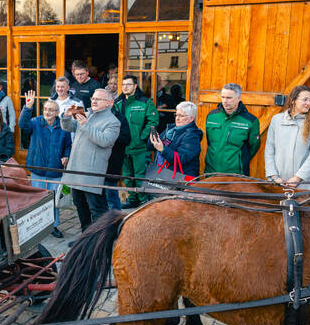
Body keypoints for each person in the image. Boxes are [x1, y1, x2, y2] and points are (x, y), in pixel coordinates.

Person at [60, 88, 120, 232]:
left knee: (97, 211)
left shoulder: (113, 122)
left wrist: (86, 124)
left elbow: (105, 141)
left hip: (92, 174)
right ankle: (84, 239)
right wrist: (66, 116)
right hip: (76, 170)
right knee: (80, 208)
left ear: (109, 103)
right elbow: (68, 127)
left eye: (98, 99)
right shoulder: (84, 113)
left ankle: (101, 241)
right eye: (93, 98)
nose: (93, 101)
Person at [19, 92, 72, 238]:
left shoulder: (63, 126)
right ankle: (37, 226)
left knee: (53, 200)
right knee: (37, 199)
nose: (47, 112)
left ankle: (53, 226)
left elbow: (68, 144)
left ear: (57, 112)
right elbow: (22, 125)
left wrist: (66, 155)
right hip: (38, 169)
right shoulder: (35, 122)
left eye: (50, 110)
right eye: (45, 109)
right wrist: (28, 107)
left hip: (55, 170)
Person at [264, 85, 310, 188]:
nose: (309, 103)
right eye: (305, 100)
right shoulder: (277, 120)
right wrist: (274, 176)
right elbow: (269, 150)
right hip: (278, 183)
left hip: (303, 184)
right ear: (293, 100)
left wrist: (298, 178)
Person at [115, 75, 159, 209]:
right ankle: (132, 199)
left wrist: (142, 138)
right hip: (123, 147)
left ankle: (143, 201)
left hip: (139, 148)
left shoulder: (145, 102)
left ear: (135, 86)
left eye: (128, 84)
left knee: (140, 176)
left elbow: (153, 122)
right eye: (123, 85)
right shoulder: (118, 103)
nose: (125, 87)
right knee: (127, 177)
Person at [204, 83, 261, 175]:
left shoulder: (250, 121)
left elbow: (254, 147)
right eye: (223, 97)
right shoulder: (211, 116)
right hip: (211, 171)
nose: (225, 101)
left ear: (239, 98)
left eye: (229, 98)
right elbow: (210, 142)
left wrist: (238, 161)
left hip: (236, 174)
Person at [149, 101, 203, 178]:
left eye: (181, 116)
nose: (177, 118)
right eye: (176, 115)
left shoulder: (192, 136)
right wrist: (154, 140)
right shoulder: (171, 129)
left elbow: (182, 159)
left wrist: (162, 149)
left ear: (191, 119)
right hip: (164, 174)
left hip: (180, 179)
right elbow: (151, 147)